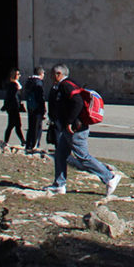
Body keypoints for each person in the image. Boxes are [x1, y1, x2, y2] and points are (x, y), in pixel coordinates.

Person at [45, 64, 121, 196]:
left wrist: (69, 121)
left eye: (52, 74)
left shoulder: (65, 85)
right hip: (69, 128)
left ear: (58, 74)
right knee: (60, 155)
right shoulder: (71, 83)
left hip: (75, 128)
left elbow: (78, 102)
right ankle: (59, 184)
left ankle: (110, 178)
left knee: (82, 157)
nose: (51, 77)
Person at [1, 68, 26, 148]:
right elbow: (14, 97)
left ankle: (21, 140)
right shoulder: (13, 85)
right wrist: (18, 106)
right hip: (13, 108)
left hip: (13, 107)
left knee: (15, 125)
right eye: (18, 74)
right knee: (13, 125)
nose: (19, 76)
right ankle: (8, 141)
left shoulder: (15, 84)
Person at [24, 67, 47, 152]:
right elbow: (40, 97)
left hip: (31, 106)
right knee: (37, 127)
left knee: (31, 126)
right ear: (41, 73)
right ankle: (34, 145)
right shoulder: (38, 83)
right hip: (37, 108)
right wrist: (43, 109)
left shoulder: (29, 81)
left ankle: (29, 144)